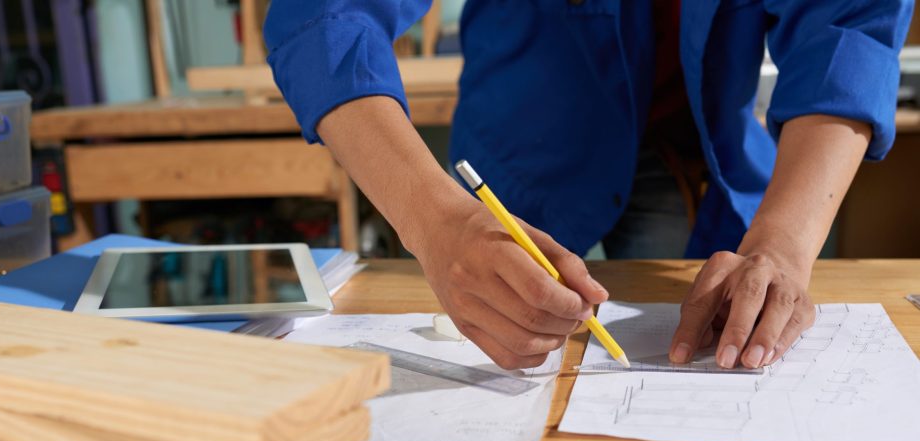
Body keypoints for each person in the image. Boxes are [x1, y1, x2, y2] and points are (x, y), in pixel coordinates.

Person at [264, 1, 913, 370]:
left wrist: (784, 244)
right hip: (515, 165)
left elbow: (849, 25)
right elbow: (324, 16)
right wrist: (435, 223)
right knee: (499, 326)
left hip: (700, 161)